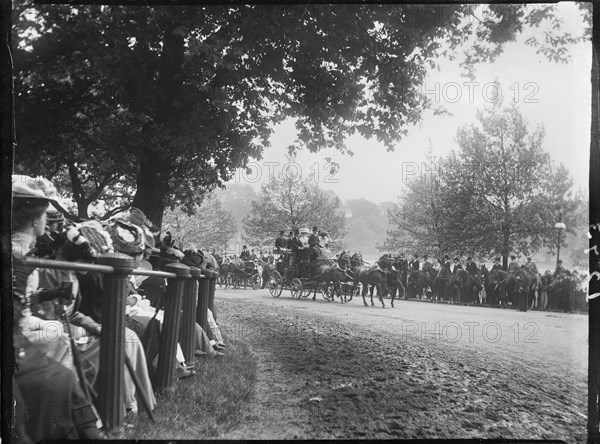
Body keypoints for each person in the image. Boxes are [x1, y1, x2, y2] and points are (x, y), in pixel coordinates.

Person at [11, 175, 101, 441]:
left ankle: (78, 410)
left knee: (58, 333)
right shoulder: (19, 253)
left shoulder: (23, 250)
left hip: (22, 321)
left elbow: (23, 297)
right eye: (46, 217)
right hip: (18, 331)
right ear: (37, 220)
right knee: (58, 335)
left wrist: (52, 293)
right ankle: (73, 414)